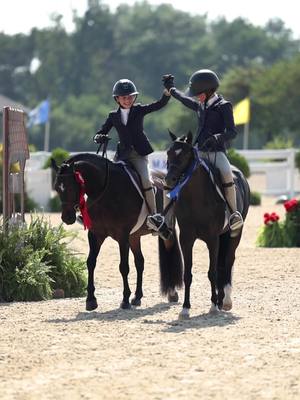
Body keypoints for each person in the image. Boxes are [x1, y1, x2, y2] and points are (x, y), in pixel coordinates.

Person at [147, 69, 243, 235]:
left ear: (209, 91)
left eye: (198, 94)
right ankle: (166, 221)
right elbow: (184, 99)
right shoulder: (200, 104)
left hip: (216, 152)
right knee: (171, 176)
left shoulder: (224, 106)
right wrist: (172, 89)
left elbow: (232, 132)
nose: (196, 97)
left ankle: (234, 214)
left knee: (227, 173)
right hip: (198, 152)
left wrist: (217, 137)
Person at [93, 78, 172, 238]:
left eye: (130, 97)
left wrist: (167, 92)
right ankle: (95, 213)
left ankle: (154, 218)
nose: (127, 100)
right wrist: (99, 137)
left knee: (146, 180)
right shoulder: (113, 115)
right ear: (117, 99)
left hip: (138, 154)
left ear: (134, 98)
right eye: (124, 98)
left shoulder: (139, 110)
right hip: (122, 155)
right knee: (107, 181)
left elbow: (158, 105)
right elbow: (102, 130)